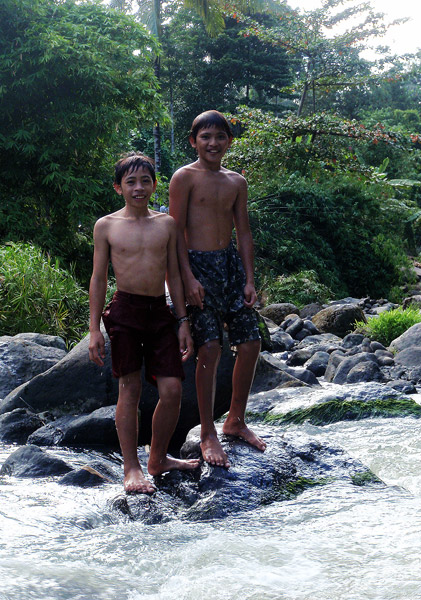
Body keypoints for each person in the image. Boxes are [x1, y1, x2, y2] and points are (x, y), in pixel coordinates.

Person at [88, 152, 199, 494]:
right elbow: (98, 278)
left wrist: (182, 320)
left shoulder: (166, 224)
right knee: (130, 389)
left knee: (172, 389)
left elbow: (174, 275)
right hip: (125, 311)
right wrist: (93, 330)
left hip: (159, 312)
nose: (139, 188)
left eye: (145, 181)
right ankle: (131, 468)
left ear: (154, 184)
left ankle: (158, 458)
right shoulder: (106, 226)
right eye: (131, 182)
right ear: (118, 187)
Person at [169, 109, 265, 468]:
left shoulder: (236, 182)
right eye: (205, 137)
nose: (213, 143)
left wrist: (250, 279)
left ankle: (235, 419)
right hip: (197, 268)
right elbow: (174, 232)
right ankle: (207, 431)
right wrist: (187, 279)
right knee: (209, 348)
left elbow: (244, 233)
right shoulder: (184, 178)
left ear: (229, 141)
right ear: (193, 141)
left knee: (251, 342)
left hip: (230, 268)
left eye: (220, 136)